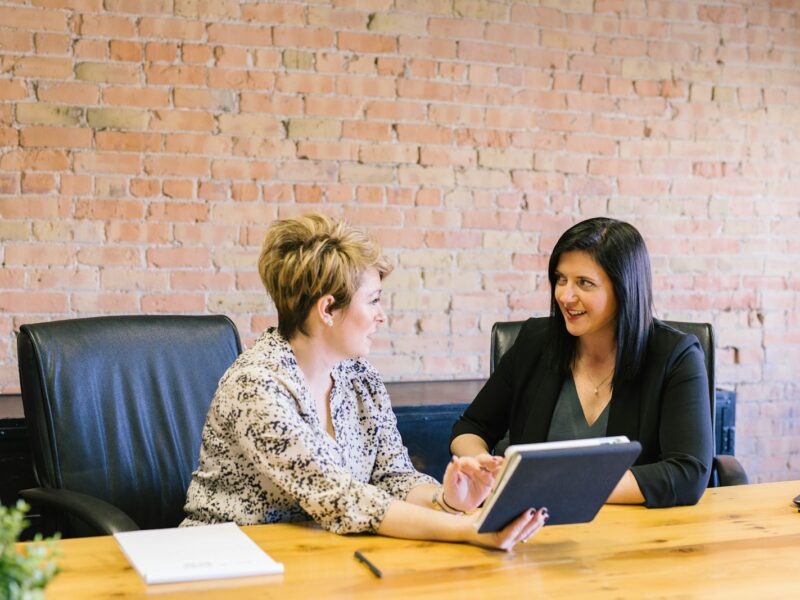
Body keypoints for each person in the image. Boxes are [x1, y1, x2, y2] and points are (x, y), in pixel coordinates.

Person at [182, 213, 547, 550]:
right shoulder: (257, 386)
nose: (381, 316)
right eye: (373, 301)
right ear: (327, 309)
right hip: (225, 560)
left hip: (320, 556)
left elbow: (393, 476)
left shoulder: (359, 376)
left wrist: (448, 500)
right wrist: (468, 529)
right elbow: (340, 498)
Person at [450, 217, 713, 508]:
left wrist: (558, 486)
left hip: (634, 532)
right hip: (533, 528)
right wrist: (481, 467)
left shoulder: (676, 356)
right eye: (561, 279)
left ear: (624, 288)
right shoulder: (535, 342)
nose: (565, 295)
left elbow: (688, 473)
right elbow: (471, 427)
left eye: (584, 283)